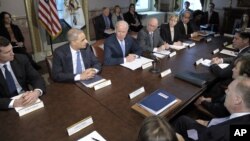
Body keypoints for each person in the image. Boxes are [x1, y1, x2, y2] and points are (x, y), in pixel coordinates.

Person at [174, 77, 250, 141]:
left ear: (237, 100)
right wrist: (207, 123)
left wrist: (180, 139)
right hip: (208, 132)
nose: (225, 91)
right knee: (183, 121)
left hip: (202, 137)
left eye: (229, 90)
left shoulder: (223, 133)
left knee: (180, 128)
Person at [0, 36, 45, 110]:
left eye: (12, 49)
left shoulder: (21, 59)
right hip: (6, 105)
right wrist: (13, 103)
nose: (13, 54)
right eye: (7, 52)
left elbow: (36, 77)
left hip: (25, 97)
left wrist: (36, 92)